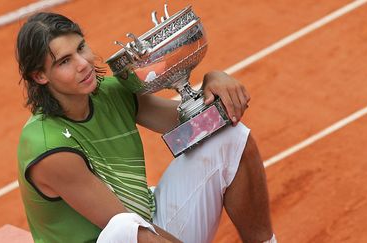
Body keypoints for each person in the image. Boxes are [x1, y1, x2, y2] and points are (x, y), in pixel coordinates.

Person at [16, 12, 276, 243]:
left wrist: (213, 81)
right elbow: (132, 232)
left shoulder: (110, 94)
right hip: (129, 234)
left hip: (148, 225)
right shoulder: (48, 148)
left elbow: (199, 127)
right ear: (40, 76)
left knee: (228, 137)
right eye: (64, 61)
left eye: (81, 48)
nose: (83, 63)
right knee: (123, 228)